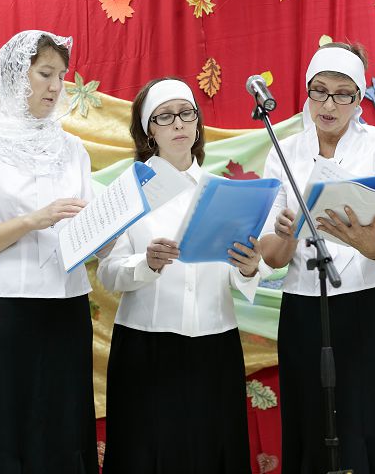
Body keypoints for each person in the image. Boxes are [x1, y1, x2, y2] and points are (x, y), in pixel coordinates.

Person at [0, 30, 99, 473]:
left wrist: (105, 231)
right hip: (4, 311)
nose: (56, 86)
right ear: (14, 75)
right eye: (45, 73)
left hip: (67, 308)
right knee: (3, 435)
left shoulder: (72, 149)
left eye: (61, 76)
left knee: (63, 435)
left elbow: (83, 228)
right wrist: (31, 220)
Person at [260, 43, 375, 473]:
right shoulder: (283, 151)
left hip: (374, 306)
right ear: (307, 92)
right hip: (305, 308)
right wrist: (286, 234)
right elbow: (273, 258)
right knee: (315, 427)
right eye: (319, 91)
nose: (329, 105)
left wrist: (370, 243)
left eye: (342, 94)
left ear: (359, 98)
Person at [97, 77, 262, 473]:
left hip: (215, 346)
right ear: (148, 131)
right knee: (148, 456)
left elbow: (239, 273)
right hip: (146, 348)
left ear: (198, 123)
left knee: (214, 453)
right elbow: (108, 273)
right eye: (165, 116)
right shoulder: (128, 191)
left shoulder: (222, 190)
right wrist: (148, 264)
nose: (178, 124)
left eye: (186, 114)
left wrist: (249, 267)